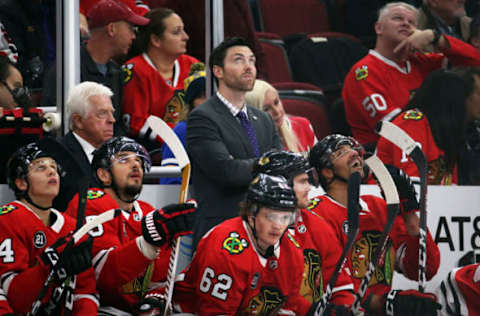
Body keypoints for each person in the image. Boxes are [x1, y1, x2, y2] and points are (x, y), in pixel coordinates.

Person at [308, 134, 441, 315]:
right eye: (341, 152)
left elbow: (423, 271)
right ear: (327, 171)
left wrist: (409, 211)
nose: (353, 153)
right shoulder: (316, 213)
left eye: (352, 149)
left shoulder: (378, 207)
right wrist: (382, 303)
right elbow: (329, 287)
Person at [65, 136, 196, 314]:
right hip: (99, 307)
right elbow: (102, 277)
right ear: (103, 174)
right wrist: (149, 242)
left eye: (139, 161)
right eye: (124, 159)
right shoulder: (90, 203)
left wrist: (155, 298)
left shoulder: (146, 210)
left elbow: (161, 278)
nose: (136, 165)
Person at [342, 1, 480, 150]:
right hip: (387, 157)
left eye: (411, 22)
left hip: (432, 149)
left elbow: (475, 63)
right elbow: (394, 130)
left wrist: (435, 37)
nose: (406, 24)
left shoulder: (422, 62)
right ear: (378, 28)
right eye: (397, 18)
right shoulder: (364, 72)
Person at [185, 37, 282, 248]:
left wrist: (267, 165)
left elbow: (282, 168)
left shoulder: (263, 118)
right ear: (218, 71)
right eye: (238, 60)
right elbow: (227, 171)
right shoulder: (203, 117)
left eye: (252, 60)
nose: (248, 67)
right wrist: (267, 164)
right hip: (222, 230)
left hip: (265, 230)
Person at [173, 174, 318, 314]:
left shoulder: (292, 253)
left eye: (285, 217)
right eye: (271, 216)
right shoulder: (225, 249)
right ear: (251, 215)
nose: (278, 226)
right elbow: (213, 311)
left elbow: (288, 307)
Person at [0, 143, 97, 314]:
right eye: (40, 168)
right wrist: (51, 261)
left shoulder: (72, 226)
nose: (52, 171)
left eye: (54, 167)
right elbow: (15, 296)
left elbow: (85, 292)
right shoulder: (7, 219)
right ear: (22, 183)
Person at [253, 150, 355, 308]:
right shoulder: (252, 233)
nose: (309, 188)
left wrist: (343, 308)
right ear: (279, 184)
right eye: (302, 182)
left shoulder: (316, 225)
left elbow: (339, 285)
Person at [42, 0, 149, 136]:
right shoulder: (67, 70)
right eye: (130, 28)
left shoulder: (117, 73)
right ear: (111, 29)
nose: (134, 36)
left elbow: (116, 125)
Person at [376, 68, 480, 185]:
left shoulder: (446, 132)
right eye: (464, 99)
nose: (466, 105)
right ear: (450, 101)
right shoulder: (411, 123)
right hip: (385, 199)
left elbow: (451, 188)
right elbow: (412, 188)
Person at [122, 7, 200, 150]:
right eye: (177, 32)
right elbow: (135, 122)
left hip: (191, 143)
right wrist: (175, 137)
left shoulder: (193, 66)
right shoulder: (135, 70)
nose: (186, 37)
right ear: (156, 40)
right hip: (152, 150)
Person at [160, 62, 206, 184]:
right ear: (191, 103)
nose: (208, 101)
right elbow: (171, 181)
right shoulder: (181, 131)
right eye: (202, 96)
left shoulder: (226, 127)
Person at [245, 79, 317, 152]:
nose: (277, 111)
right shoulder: (248, 145)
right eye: (266, 109)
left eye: (276, 102)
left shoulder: (302, 125)